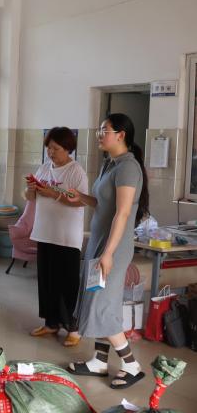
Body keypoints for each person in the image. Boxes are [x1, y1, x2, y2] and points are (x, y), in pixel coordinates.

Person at [67, 113, 149, 390]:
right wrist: (82, 198)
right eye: (100, 130)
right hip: (100, 243)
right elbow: (104, 205)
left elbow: (123, 213)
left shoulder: (128, 168)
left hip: (113, 247)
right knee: (94, 300)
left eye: (105, 130)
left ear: (120, 135)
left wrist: (108, 253)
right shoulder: (109, 164)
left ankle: (131, 365)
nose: (99, 135)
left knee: (101, 304)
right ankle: (99, 361)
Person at [25, 127, 87, 347]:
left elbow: (82, 201)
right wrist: (31, 189)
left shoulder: (76, 171)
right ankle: (51, 323)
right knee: (47, 282)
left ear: (68, 148)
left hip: (66, 237)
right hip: (44, 232)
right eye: (49, 148)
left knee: (67, 284)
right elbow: (30, 198)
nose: (51, 152)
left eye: (56, 148)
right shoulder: (44, 168)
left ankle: (73, 328)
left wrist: (53, 194)